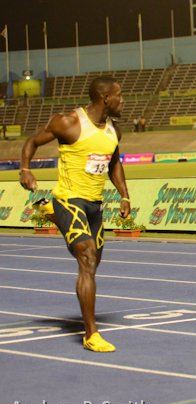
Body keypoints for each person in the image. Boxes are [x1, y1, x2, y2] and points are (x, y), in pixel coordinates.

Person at [19, 76, 130, 352]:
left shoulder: (115, 129)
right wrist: (25, 168)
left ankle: (50, 213)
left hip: (94, 205)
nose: (123, 100)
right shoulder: (69, 123)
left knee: (93, 265)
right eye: (119, 95)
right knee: (87, 258)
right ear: (105, 98)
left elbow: (114, 162)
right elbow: (32, 142)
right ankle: (91, 334)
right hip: (69, 199)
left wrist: (124, 194)